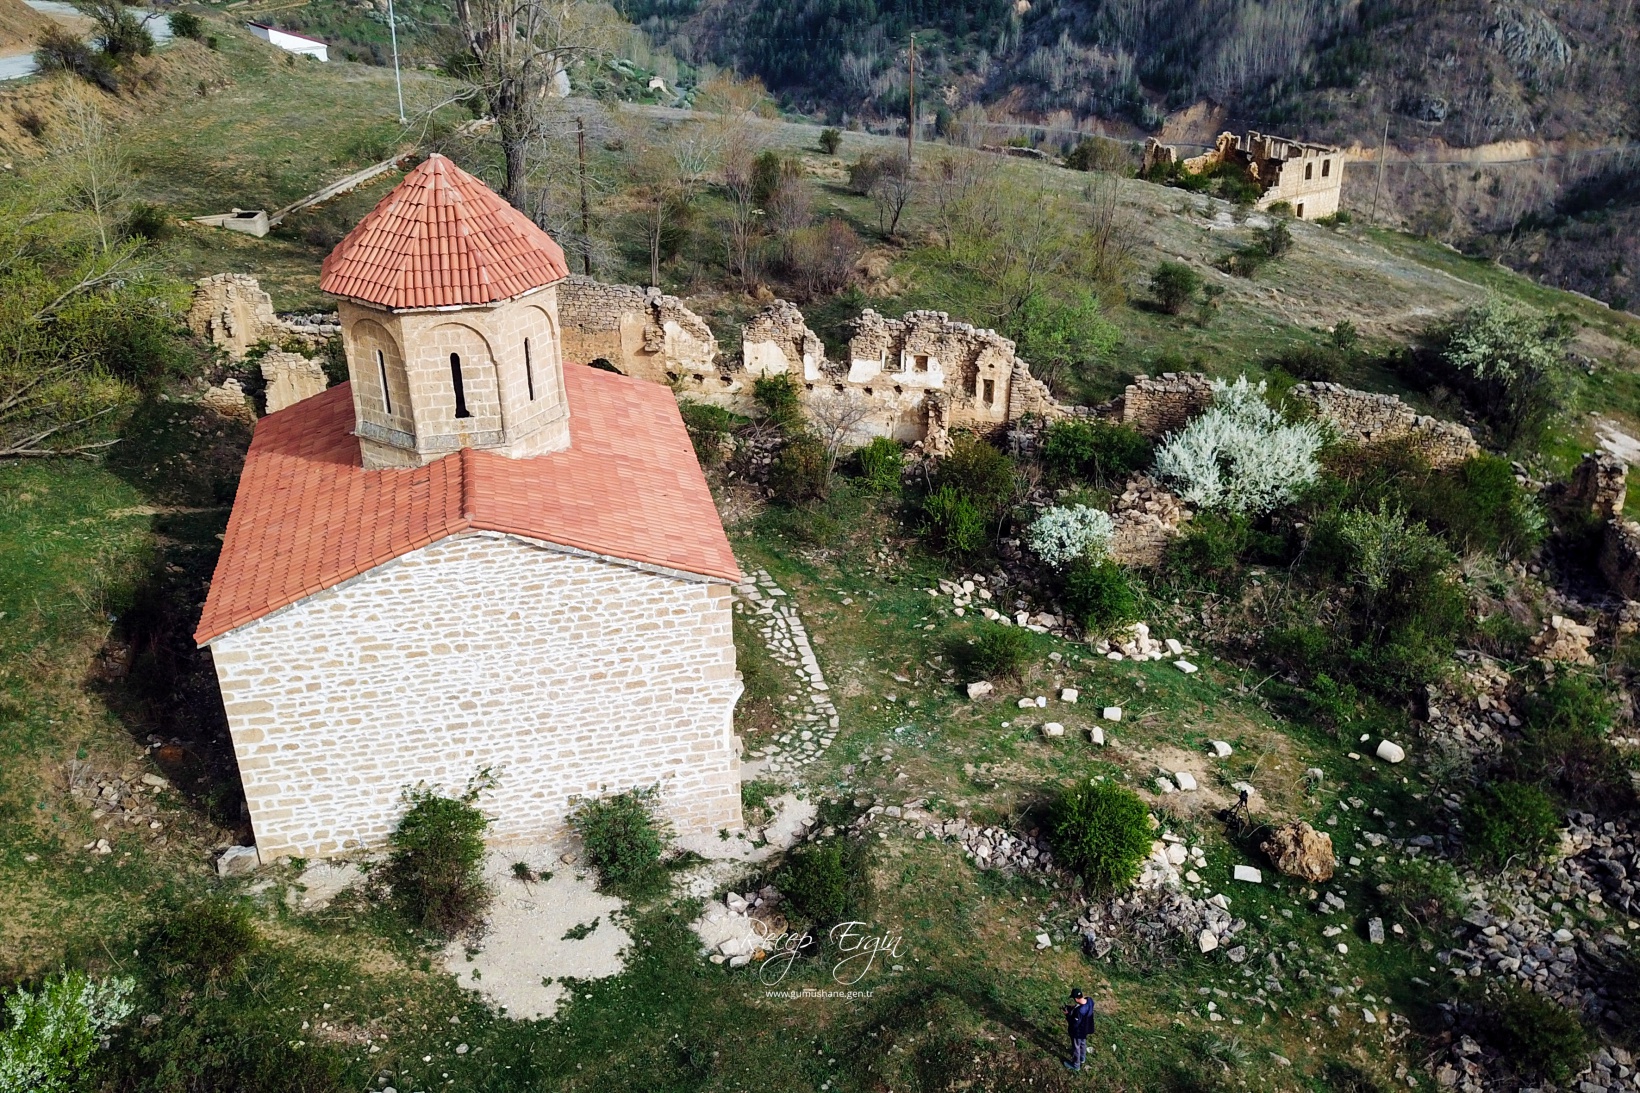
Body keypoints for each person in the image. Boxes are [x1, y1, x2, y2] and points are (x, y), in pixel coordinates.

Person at [1063, 988, 1095, 1073]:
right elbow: (1087, 1006)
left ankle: (1076, 1065)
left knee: (1076, 1047)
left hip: (1078, 1032)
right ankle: (1082, 1057)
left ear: (1076, 999)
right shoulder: (1090, 1000)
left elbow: (1074, 1023)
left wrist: (1067, 1015)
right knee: (1083, 1043)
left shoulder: (1079, 1011)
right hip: (1086, 1028)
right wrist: (1076, 1007)